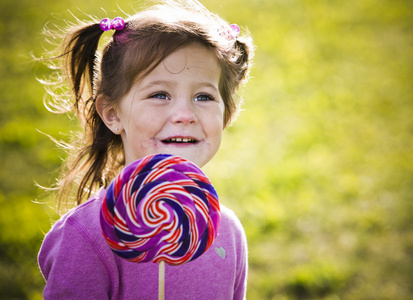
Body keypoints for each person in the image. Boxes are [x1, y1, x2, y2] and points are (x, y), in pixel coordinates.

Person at [37, 0, 254, 299]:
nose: (184, 114)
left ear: (226, 114)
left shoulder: (225, 230)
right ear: (112, 114)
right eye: (160, 94)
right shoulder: (86, 237)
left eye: (203, 96)